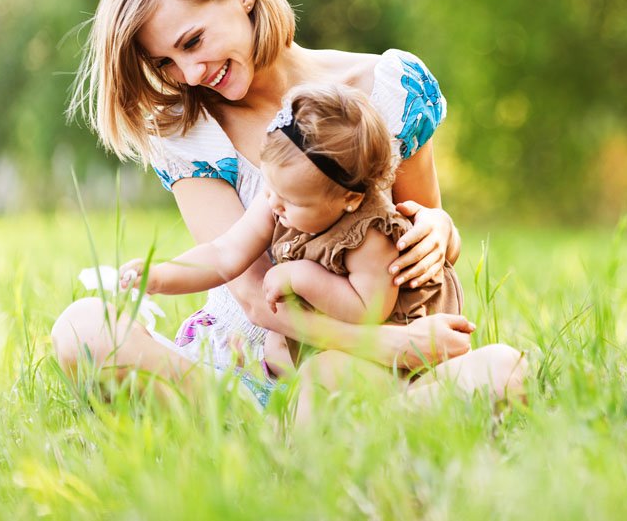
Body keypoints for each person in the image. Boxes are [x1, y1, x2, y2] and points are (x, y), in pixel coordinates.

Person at [51, 0, 525, 411]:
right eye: (165, 62)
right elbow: (255, 296)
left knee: (505, 371)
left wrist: (438, 230)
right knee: (83, 330)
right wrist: (382, 343)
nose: (189, 72)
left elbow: (421, 230)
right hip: (248, 373)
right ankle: (301, 429)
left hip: (376, 369)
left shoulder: (390, 86)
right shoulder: (189, 131)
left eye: (193, 41)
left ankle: (332, 433)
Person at [119, 84, 465, 395]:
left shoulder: (372, 236)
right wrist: (161, 275)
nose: (274, 204)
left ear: (351, 198)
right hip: (341, 350)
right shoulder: (281, 198)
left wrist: (301, 276)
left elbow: (367, 310)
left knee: (329, 376)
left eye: (293, 201)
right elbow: (225, 253)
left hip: (396, 353)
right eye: (271, 187)